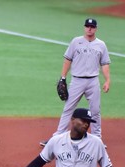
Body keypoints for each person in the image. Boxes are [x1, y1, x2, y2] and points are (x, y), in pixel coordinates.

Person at [40, 18, 111, 146]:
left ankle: (97, 139)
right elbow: (67, 59)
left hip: (93, 81)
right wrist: (63, 77)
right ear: (84, 27)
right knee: (68, 108)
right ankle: (57, 138)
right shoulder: (76, 42)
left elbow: (105, 64)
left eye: (92, 27)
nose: (89, 29)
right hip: (77, 80)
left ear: (96, 28)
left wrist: (107, 80)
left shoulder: (101, 45)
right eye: (87, 26)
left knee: (95, 110)